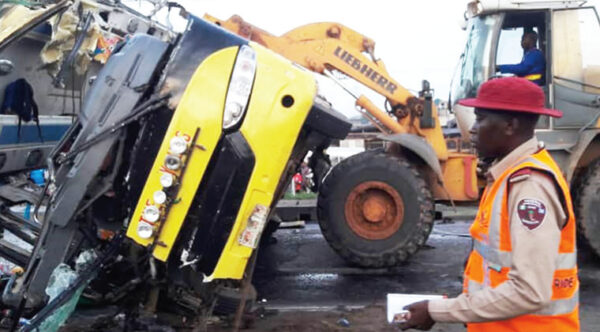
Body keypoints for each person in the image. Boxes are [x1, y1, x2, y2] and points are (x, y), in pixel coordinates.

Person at [400, 77, 579, 331]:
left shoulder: (529, 186)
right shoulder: (507, 175)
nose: (472, 128)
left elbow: (529, 291)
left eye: (481, 119)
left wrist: (437, 311)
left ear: (509, 125)